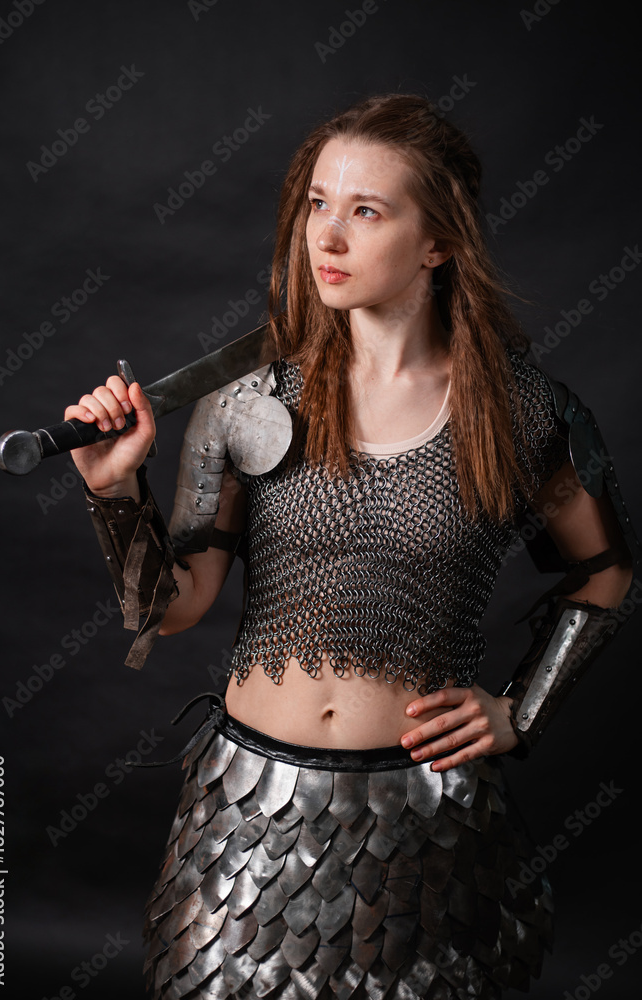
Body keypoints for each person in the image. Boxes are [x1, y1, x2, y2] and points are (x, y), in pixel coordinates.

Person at [65, 94, 637, 1000]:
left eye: (365, 210)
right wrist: (113, 490)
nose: (325, 237)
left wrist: (520, 709)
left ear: (438, 242)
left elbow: (606, 572)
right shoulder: (244, 405)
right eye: (315, 204)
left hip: (427, 824)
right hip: (247, 822)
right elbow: (171, 610)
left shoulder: (523, 414)